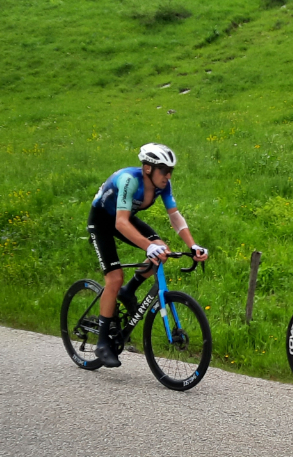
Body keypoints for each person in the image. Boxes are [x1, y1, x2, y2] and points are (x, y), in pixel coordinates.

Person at [87, 143, 209, 368]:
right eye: (164, 170)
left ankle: (129, 292)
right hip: (103, 220)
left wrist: (193, 246)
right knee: (114, 278)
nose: (168, 175)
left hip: (123, 217)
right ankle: (103, 343)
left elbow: (175, 216)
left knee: (162, 250)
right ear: (147, 169)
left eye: (170, 170)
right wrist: (147, 245)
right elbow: (120, 223)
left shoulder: (163, 185)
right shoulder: (128, 180)